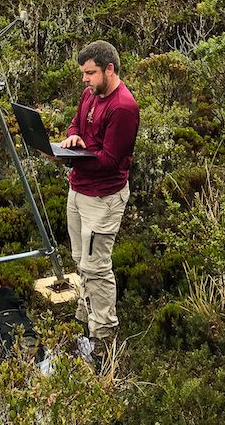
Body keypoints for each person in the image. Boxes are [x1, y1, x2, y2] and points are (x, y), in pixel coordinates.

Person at [60, 40, 139, 352]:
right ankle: (85, 314)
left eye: (90, 73)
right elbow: (76, 123)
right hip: (78, 190)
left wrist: (68, 158)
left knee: (97, 266)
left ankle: (103, 335)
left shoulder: (123, 107)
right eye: (83, 73)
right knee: (80, 260)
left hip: (104, 198)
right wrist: (72, 136)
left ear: (110, 69)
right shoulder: (90, 92)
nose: (85, 79)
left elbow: (111, 161)